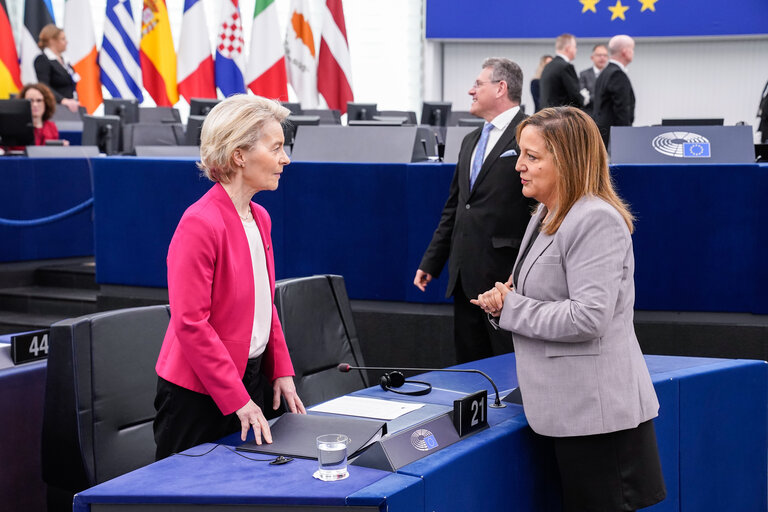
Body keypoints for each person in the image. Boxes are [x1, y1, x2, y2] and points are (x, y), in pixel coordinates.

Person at [472, 106, 666, 511]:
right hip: (567, 411)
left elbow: (587, 317)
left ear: (568, 160)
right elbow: (541, 291)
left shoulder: (595, 219)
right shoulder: (546, 212)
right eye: (519, 155)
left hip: (597, 420)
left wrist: (512, 307)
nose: (519, 166)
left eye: (532, 156)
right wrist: (505, 297)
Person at [153, 95, 306, 460]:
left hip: (249, 380)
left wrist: (281, 369)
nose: (286, 159)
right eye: (277, 148)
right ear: (239, 155)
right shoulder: (199, 222)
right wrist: (237, 398)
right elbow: (191, 322)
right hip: (196, 394)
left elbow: (263, 305)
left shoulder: (261, 218)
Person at [414, 57, 536, 364]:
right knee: (471, 370)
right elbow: (457, 206)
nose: (471, 91)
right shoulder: (470, 140)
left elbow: (542, 208)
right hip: (464, 277)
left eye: (478, 84)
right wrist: (433, 260)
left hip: (506, 279)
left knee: (508, 370)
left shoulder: (532, 132)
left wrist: (522, 272)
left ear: (501, 88)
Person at [593, 34, 636, 148]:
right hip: (615, 137)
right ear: (625, 52)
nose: (633, 52)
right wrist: (625, 137)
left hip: (604, 134)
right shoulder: (617, 74)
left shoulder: (604, 73)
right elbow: (622, 109)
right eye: (632, 49)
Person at [34, 24, 80, 113]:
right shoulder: (43, 59)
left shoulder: (64, 60)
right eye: (63, 39)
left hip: (71, 106)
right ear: (52, 41)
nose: (66, 42)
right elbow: (43, 86)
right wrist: (62, 100)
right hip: (56, 108)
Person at [539, 34, 583, 109]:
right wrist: (583, 100)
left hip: (548, 114)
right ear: (568, 48)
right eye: (575, 47)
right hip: (560, 116)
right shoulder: (566, 67)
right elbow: (574, 95)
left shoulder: (548, 66)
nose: (576, 50)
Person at [578, 44, 609, 117]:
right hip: (589, 115)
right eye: (599, 55)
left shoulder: (612, 75)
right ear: (592, 57)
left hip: (607, 116)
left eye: (605, 55)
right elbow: (582, 97)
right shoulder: (584, 75)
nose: (602, 58)